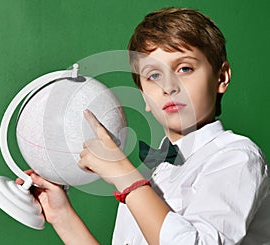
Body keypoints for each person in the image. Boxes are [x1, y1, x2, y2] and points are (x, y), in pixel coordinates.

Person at [17, 7, 270, 245]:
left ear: (221, 77)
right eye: (154, 76)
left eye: (184, 68)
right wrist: (62, 216)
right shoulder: (155, 170)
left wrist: (123, 174)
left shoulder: (237, 156)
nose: (168, 87)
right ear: (143, 97)